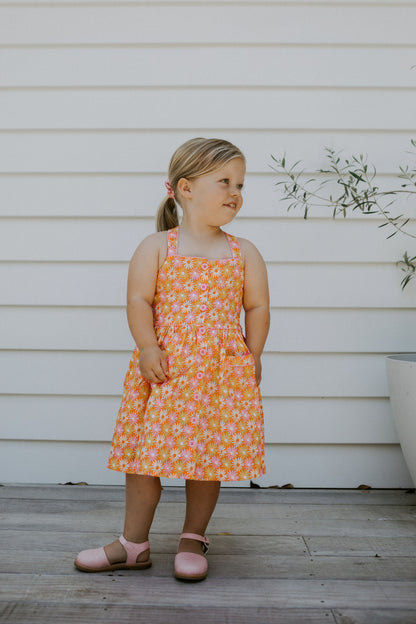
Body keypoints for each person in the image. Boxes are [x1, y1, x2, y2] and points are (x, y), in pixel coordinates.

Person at [74, 137, 270, 581]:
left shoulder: (244, 252)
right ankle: (133, 543)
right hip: (166, 373)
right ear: (185, 187)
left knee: (207, 459)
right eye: (224, 181)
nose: (235, 192)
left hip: (220, 376)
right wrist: (147, 346)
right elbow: (139, 301)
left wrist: (253, 355)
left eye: (240, 184)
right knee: (144, 460)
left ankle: (192, 537)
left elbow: (257, 307)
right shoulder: (158, 246)